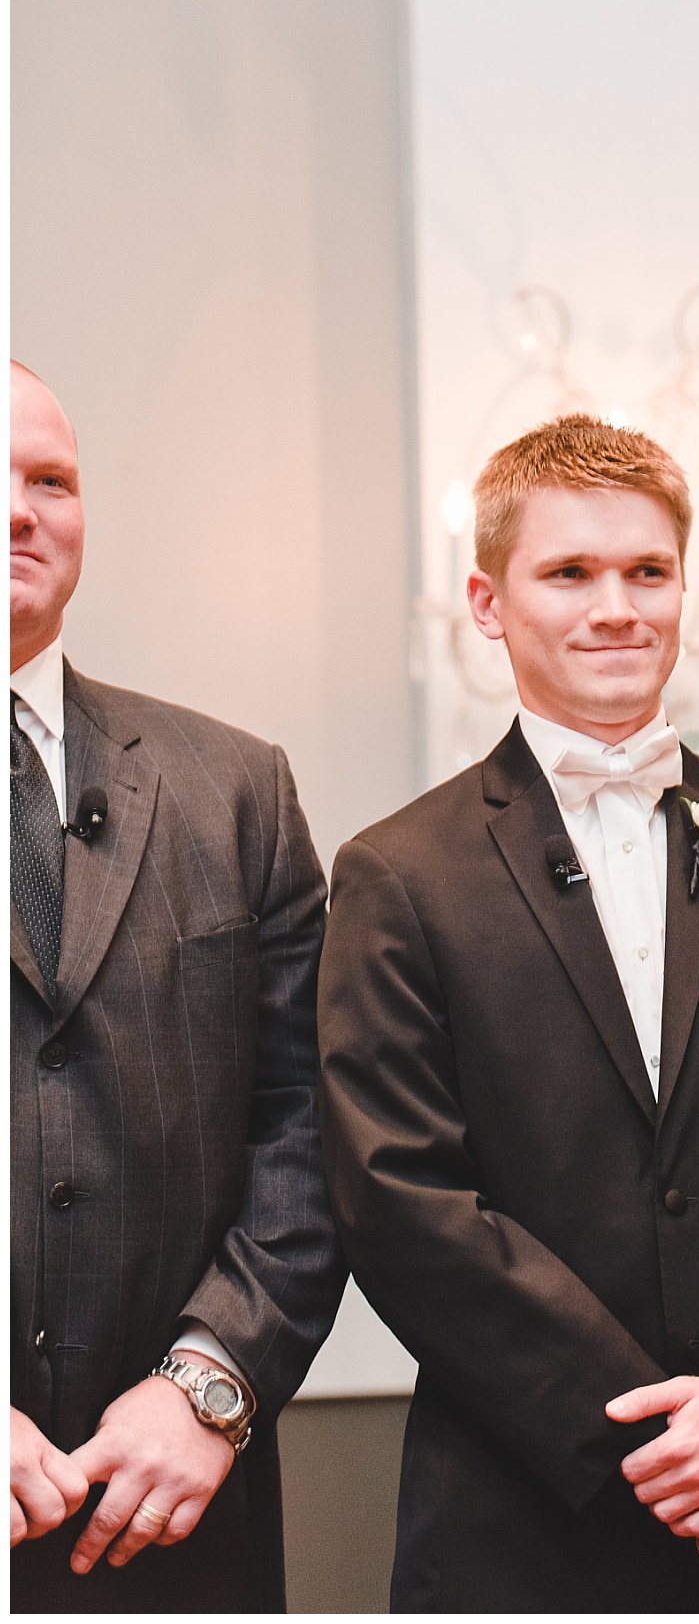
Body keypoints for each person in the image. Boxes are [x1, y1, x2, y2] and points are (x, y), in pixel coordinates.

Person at [318, 414, 699, 1612]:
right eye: (571, 573)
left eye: (648, 571)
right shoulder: (399, 875)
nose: (618, 607)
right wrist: (665, 1449)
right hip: (521, 1513)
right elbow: (401, 1200)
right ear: (489, 604)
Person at [9, 360, 348, 1612]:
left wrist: (210, 1383)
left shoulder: (233, 785)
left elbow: (310, 1117)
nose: (22, 512)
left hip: (172, 1513)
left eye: (53, 480)